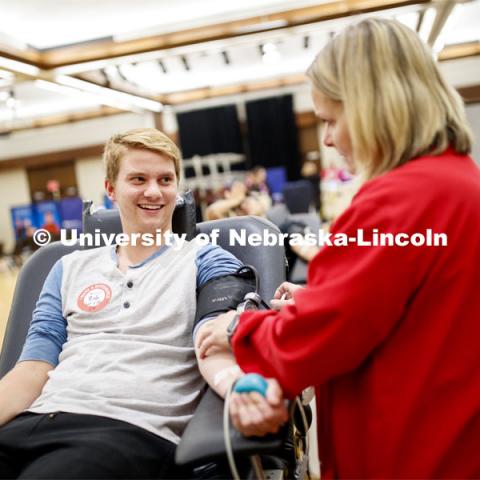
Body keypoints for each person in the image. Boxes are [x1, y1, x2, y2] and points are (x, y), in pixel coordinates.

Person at [196, 18, 480, 478]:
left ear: (374, 107)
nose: (326, 139)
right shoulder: (456, 180)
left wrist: (240, 328)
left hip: (410, 452)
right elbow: (415, 307)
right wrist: (320, 297)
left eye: (331, 120)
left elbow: (323, 338)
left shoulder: (395, 200)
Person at [0, 127, 287, 479]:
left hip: (126, 432)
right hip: (36, 422)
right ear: (110, 189)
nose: (153, 191)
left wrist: (238, 387)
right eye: (138, 179)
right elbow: (31, 369)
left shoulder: (207, 260)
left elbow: (213, 342)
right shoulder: (68, 268)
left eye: (165, 179)